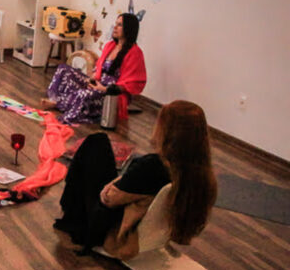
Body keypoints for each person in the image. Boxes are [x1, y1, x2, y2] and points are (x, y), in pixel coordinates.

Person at [54, 100, 217, 259]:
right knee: (100, 147)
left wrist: (114, 183)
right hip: (153, 231)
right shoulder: (200, 173)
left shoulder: (154, 165)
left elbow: (108, 199)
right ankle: (70, 207)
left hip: (113, 230)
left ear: (167, 130)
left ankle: (71, 214)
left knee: (96, 143)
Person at [42, 14, 147, 124]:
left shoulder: (135, 53)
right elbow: (99, 67)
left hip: (110, 93)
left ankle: (59, 104)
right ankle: (56, 100)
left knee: (83, 94)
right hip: (97, 82)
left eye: (119, 25)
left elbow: (131, 84)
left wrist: (104, 89)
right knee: (63, 69)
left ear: (129, 28)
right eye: (116, 24)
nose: (115, 27)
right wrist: (91, 78)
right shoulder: (110, 45)